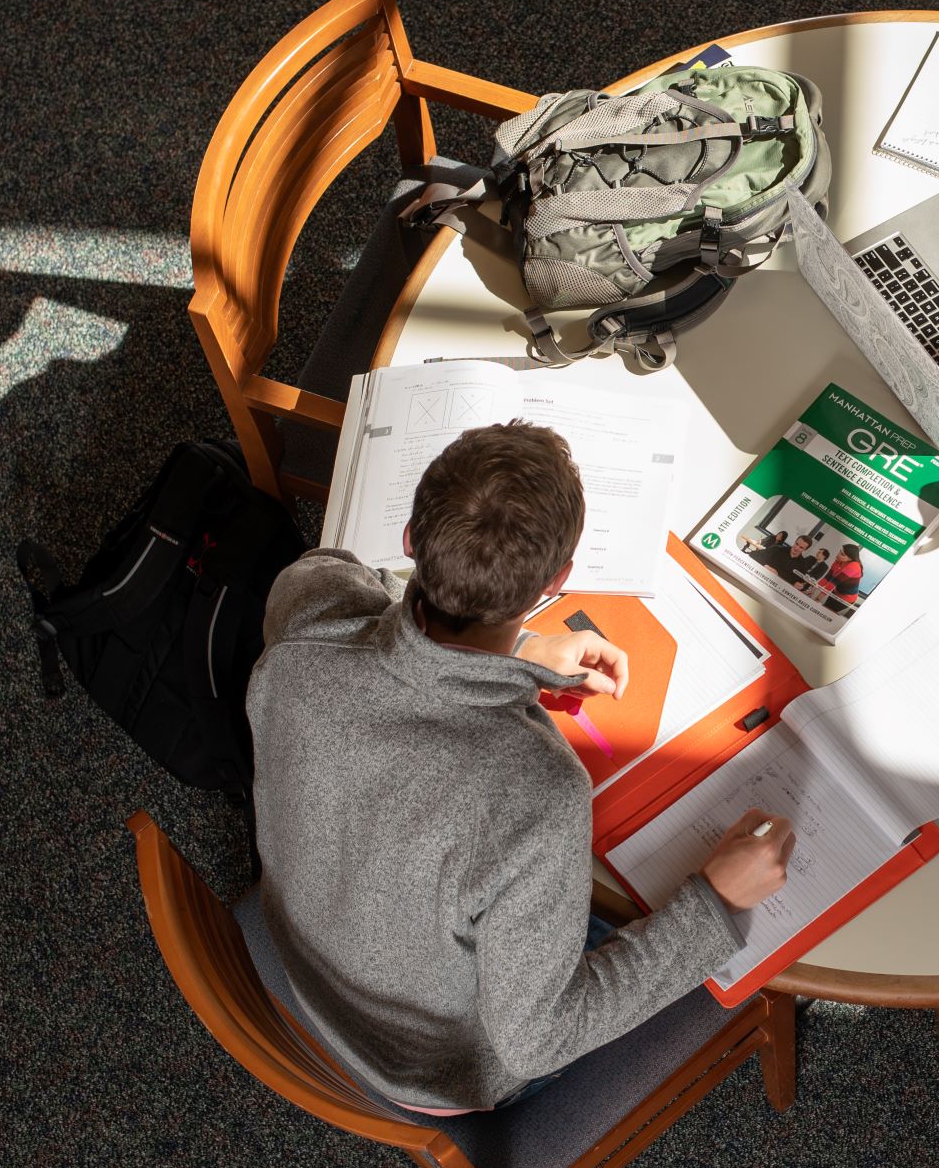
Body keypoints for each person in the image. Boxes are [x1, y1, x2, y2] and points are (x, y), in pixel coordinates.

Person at [246, 421, 796, 1113]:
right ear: (557, 582)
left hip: (308, 948)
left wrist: (522, 653)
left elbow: (328, 575)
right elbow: (536, 1039)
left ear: (413, 539)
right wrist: (713, 903)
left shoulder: (307, 636)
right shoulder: (536, 796)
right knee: (660, 908)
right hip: (435, 1067)